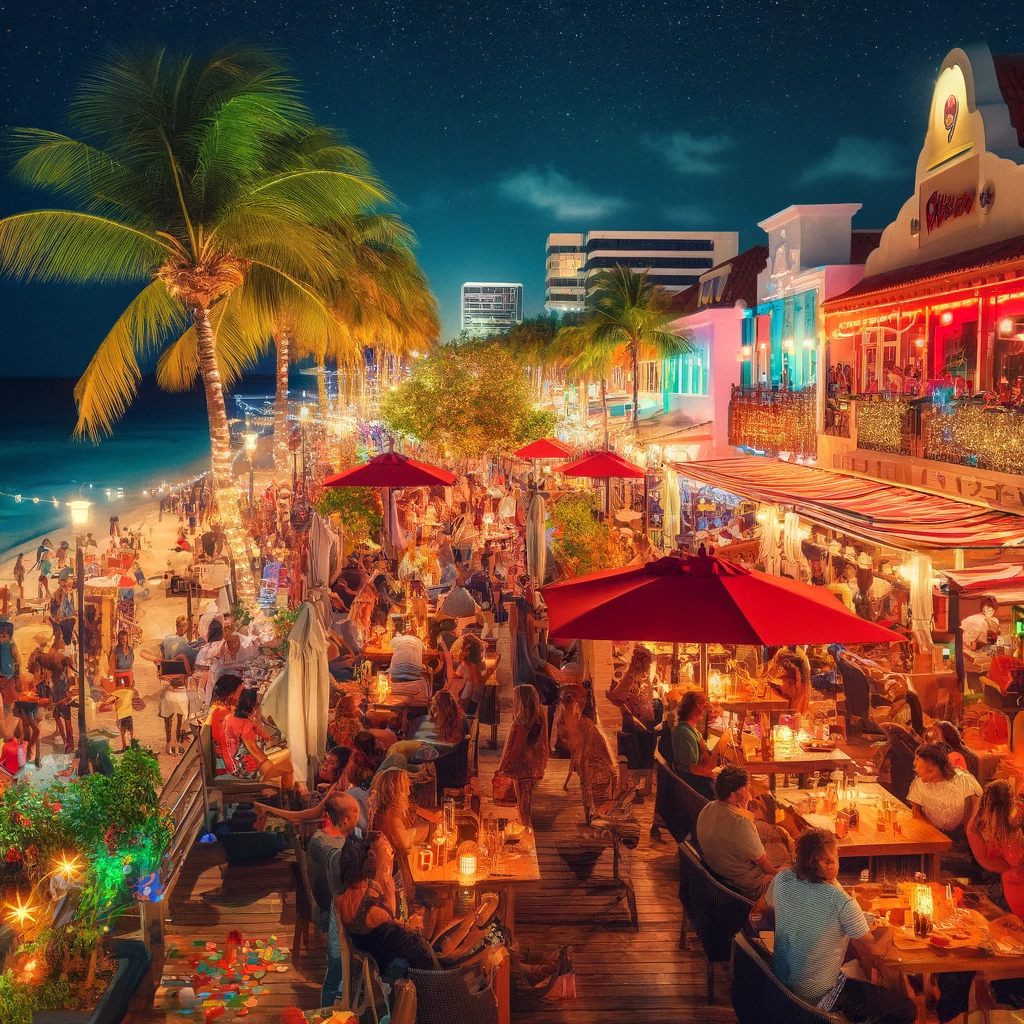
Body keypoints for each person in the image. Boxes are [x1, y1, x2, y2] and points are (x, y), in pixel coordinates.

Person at [752, 828, 915, 1023]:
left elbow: (769, 905)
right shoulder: (840, 902)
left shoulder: (783, 879)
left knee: (849, 959)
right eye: (835, 857)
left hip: (783, 986)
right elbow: (873, 949)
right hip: (818, 997)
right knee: (906, 1010)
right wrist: (891, 930)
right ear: (828, 862)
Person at [334, 831, 436, 974]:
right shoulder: (375, 907)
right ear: (372, 856)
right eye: (387, 850)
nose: (391, 853)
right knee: (426, 950)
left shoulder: (344, 894)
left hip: (370, 947)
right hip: (384, 960)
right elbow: (391, 921)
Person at [306, 792, 363, 1007]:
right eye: (357, 811)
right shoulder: (322, 842)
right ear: (346, 819)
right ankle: (330, 1003)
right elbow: (338, 863)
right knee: (338, 964)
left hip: (341, 904)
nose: (361, 815)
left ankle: (353, 993)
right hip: (328, 908)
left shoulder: (351, 835)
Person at [696, 764, 779, 899]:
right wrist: (778, 877)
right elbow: (763, 862)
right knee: (787, 864)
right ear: (733, 795)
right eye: (745, 790)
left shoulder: (709, 807)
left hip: (719, 869)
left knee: (769, 832)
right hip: (743, 884)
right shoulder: (740, 822)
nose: (750, 796)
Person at [222, 686, 295, 789]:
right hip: (246, 768)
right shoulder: (245, 724)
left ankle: (285, 795)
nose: (258, 709)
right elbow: (253, 748)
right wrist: (267, 765)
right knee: (290, 762)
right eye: (256, 706)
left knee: (286, 758)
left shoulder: (231, 718)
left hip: (237, 763)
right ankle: (287, 796)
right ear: (249, 707)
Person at [496, 683, 548, 828]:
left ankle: (527, 831)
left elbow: (516, 747)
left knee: (523, 804)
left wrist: (504, 767)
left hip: (521, 769)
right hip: (532, 767)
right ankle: (527, 828)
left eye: (517, 698)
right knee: (527, 801)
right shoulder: (538, 717)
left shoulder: (524, 721)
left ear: (523, 700)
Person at [561, 690, 616, 822]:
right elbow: (575, 752)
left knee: (592, 789)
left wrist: (581, 767)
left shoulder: (588, 725)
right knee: (586, 785)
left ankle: (594, 814)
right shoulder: (577, 726)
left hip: (600, 767)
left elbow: (585, 751)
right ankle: (591, 815)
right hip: (590, 767)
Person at [907, 742, 982, 840]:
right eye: (920, 771)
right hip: (930, 837)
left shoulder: (964, 782)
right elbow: (916, 813)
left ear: (939, 767)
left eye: (929, 771)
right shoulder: (919, 783)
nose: (924, 780)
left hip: (961, 841)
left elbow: (974, 820)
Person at [671, 690, 733, 800]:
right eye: (702, 710)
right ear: (696, 711)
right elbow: (693, 769)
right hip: (693, 783)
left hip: (694, 778)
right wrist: (714, 774)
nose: (703, 714)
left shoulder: (689, 729)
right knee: (730, 786)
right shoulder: (684, 733)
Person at [50, 655, 76, 753]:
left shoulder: (66, 674)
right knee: (60, 720)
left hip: (63, 701)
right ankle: (67, 742)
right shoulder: (62, 673)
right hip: (59, 700)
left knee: (66, 723)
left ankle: (69, 743)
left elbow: (70, 692)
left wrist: (60, 701)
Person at [0, 622, 21, 739]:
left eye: (5, 634)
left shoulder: (11, 645)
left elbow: (17, 661)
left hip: (8, 678)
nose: (2, 636)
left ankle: (9, 733)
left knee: (10, 703)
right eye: (0, 633)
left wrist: (17, 677)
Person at [110, 673, 137, 752]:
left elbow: (110, 693)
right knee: (131, 732)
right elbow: (132, 686)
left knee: (123, 733)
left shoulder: (119, 692)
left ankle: (124, 747)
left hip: (122, 715)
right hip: (129, 714)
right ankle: (133, 746)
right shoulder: (130, 691)